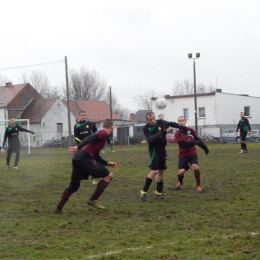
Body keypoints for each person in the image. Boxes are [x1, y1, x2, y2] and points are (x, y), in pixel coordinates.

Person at [54, 119, 117, 213]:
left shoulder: (102, 134)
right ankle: (93, 200)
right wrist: (78, 147)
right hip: (84, 159)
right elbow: (90, 138)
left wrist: (107, 163)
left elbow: (96, 155)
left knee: (74, 186)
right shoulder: (104, 133)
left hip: (78, 158)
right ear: (112, 127)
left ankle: (58, 208)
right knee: (109, 176)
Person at [140, 112, 187, 201]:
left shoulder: (160, 122)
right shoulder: (146, 128)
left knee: (161, 171)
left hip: (162, 149)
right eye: (150, 120)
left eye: (153, 118)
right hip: (154, 150)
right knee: (154, 171)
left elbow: (171, 123)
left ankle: (159, 191)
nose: (153, 121)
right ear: (147, 120)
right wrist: (162, 133)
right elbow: (150, 139)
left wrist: (181, 127)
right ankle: (144, 191)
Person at [173, 116, 209, 192]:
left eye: (182, 120)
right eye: (179, 121)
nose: (181, 122)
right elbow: (183, 144)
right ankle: (180, 182)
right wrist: (195, 143)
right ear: (177, 123)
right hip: (183, 155)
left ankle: (198, 185)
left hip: (192, 154)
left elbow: (197, 139)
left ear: (185, 121)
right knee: (180, 172)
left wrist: (205, 148)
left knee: (195, 166)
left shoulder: (191, 130)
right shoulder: (177, 133)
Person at [74, 110, 98, 184]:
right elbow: (76, 137)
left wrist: (93, 140)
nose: (83, 116)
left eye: (84, 115)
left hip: (90, 146)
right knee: (81, 162)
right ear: (79, 116)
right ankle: (79, 178)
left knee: (92, 161)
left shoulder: (90, 124)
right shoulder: (76, 126)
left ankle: (94, 178)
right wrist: (81, 144)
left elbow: (95, 132)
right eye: (82, 115)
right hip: (82, 147)